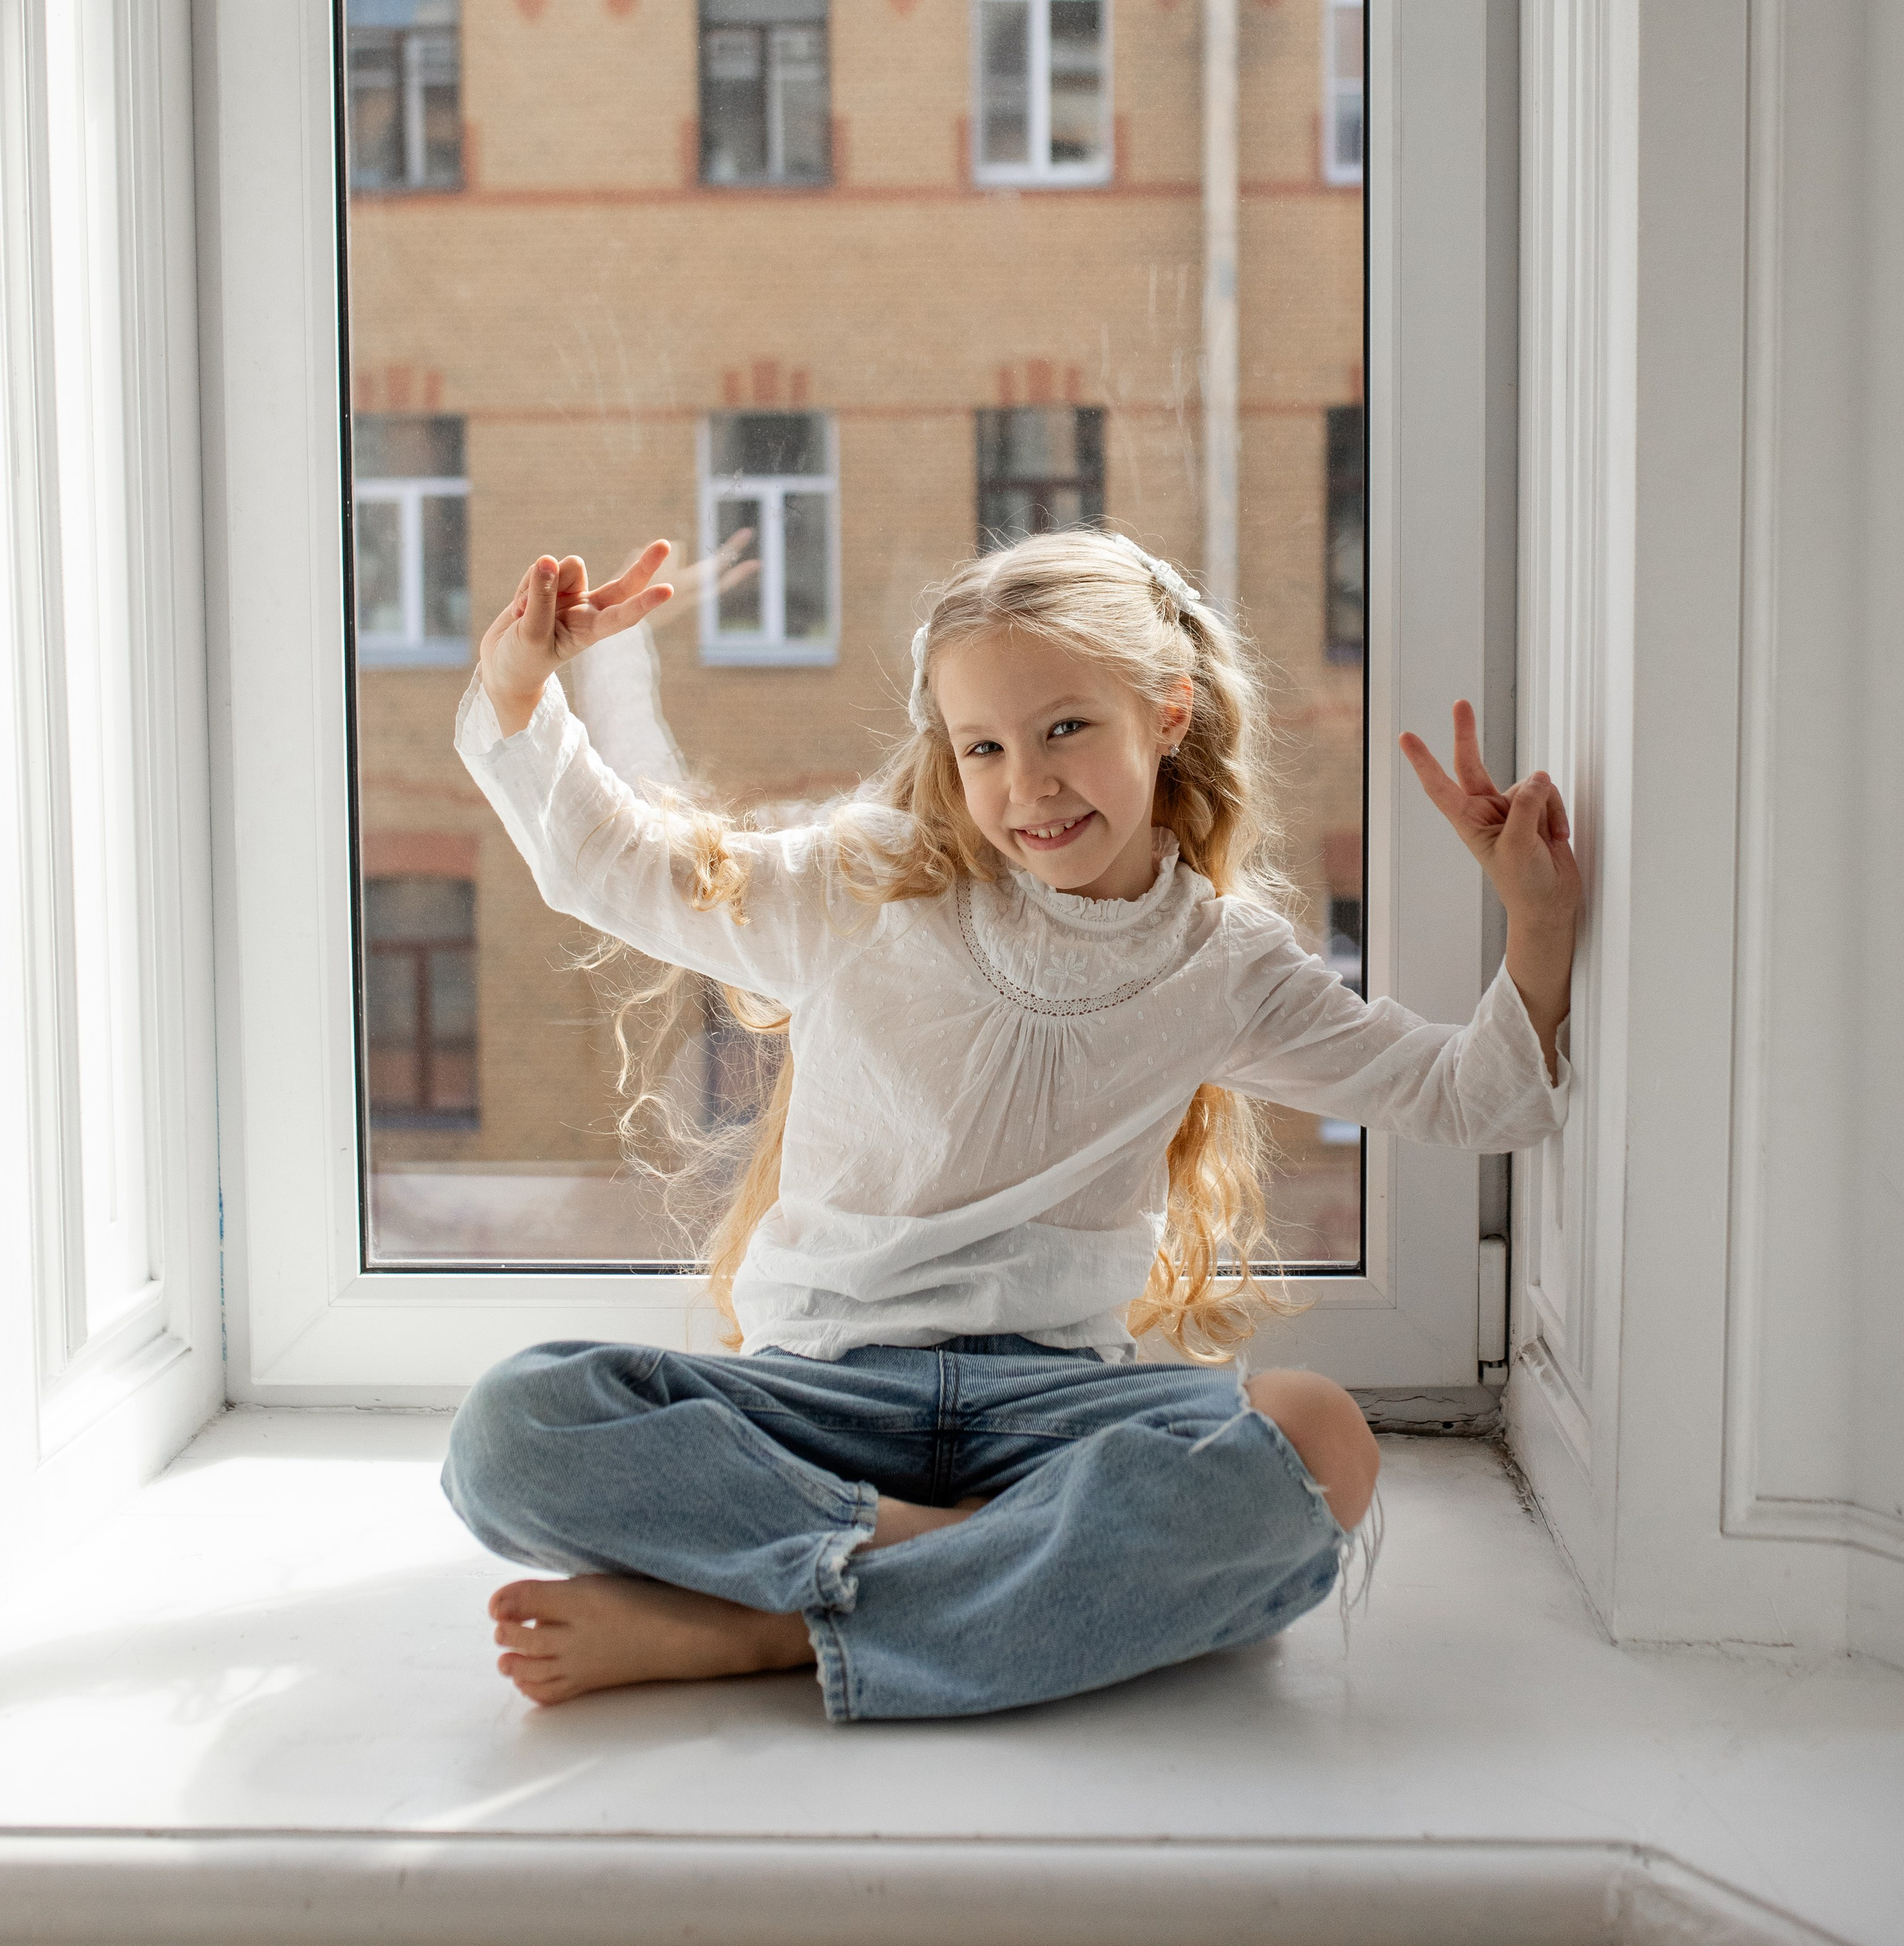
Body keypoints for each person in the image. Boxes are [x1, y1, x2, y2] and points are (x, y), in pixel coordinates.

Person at [442, 530, 1578, 1721]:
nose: (1027, 783)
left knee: (1321, 1439)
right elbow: (616, 866)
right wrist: (524, 685)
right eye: (984, 745)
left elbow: (1466, 1096)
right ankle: (962, 1571)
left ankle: (777, 1626)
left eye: (1066, 730)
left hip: (1057, 1413)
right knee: (514, 1431)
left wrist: (1536, 922)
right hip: (822, 1398)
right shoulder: (866, 882)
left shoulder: (1221, 960)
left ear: (1169, 714)